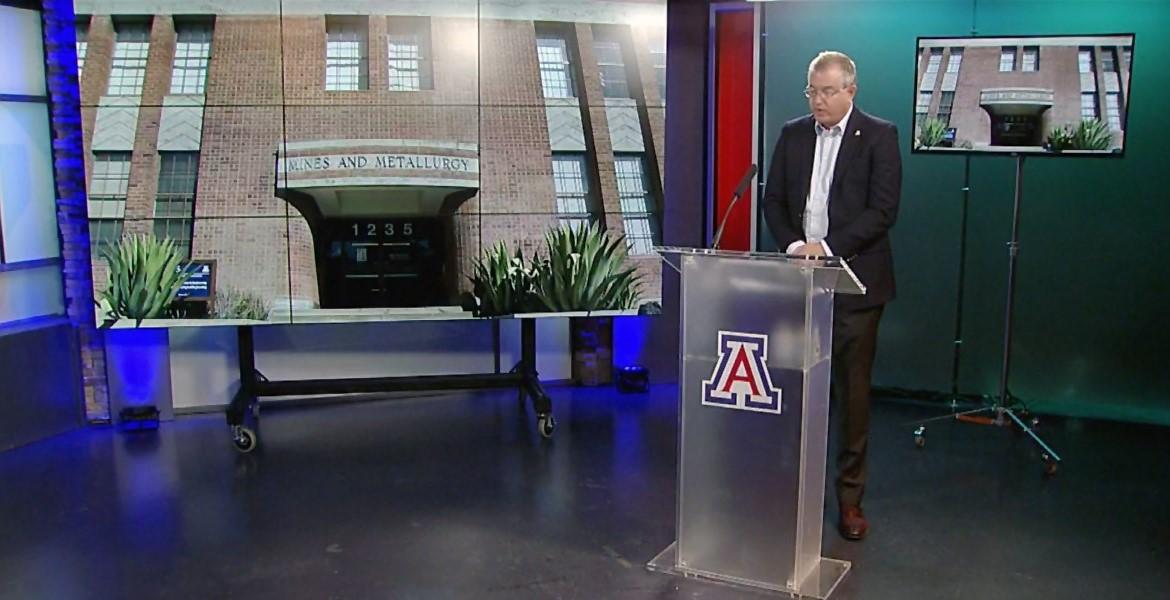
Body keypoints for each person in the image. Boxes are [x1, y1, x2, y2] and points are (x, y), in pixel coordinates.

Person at [762, 50, 902, 541]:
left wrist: (828, 248)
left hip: (855, 287)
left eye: (826, 92)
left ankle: (849, 502)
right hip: (801, 284)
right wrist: (796, 246)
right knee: (793, 391)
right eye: (811, 91)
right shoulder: (793, 134)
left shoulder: (879, 136)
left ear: (850, 90)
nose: (817, 100)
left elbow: (883, 210)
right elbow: (774, 201)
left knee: (852, 396)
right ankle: (789, 491)